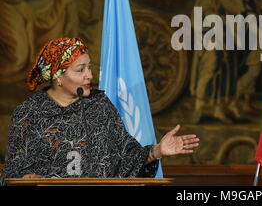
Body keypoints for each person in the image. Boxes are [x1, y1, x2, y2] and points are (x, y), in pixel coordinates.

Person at [2, 37, 199, 182]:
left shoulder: (100, 105)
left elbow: (126, 158)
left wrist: (157, 151)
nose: (89, 75)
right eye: (81, 70)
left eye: (89, 67)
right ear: (58, 77)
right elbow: (13, 171)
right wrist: (29, 179)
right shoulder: (29, 112)